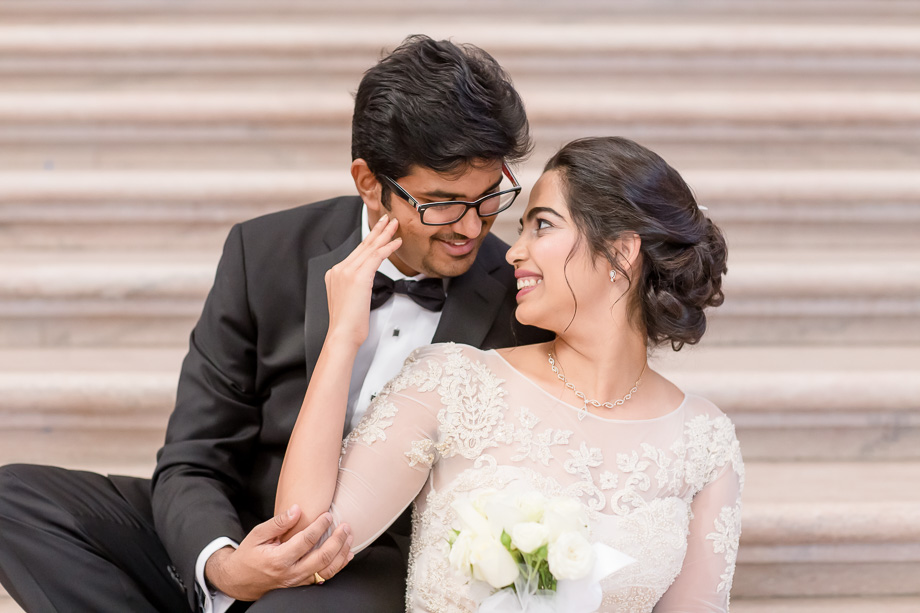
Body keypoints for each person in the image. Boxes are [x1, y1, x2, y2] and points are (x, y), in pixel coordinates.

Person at [0, 35, 551, 612]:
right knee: (16, 500)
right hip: (244, 522)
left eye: (490, 197)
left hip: (369, 561)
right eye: (442, 204)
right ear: (369, 183)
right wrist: (223, 565)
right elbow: (194, 455)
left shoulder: (519, 298)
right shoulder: (263, 252)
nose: (471, 227)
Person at [275, 136, 744, 612]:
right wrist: (342, 339)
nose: (513, 252)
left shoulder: (704, 441)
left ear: (621, 252)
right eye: (522, 229)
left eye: (542, 225)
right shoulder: (452, 383)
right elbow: (300, 540)